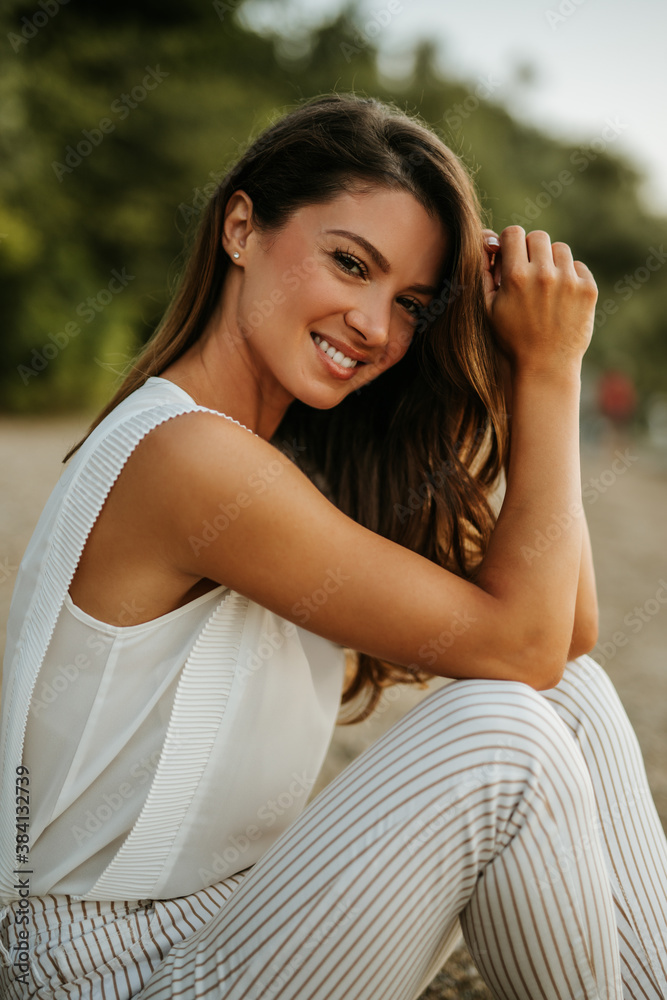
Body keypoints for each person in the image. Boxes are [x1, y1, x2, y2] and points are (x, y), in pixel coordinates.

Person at [0, 92, 666, 1000]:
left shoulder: (285, 460)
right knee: (501, 732)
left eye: (411, 305)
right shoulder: (187, 456)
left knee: (568, 698)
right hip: (101, 968)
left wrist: (518, 369)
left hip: (226, 923)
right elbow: (523, 645)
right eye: (350, 263)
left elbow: (562, 638)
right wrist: (552, 370)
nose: (375, 326)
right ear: (241, 227)